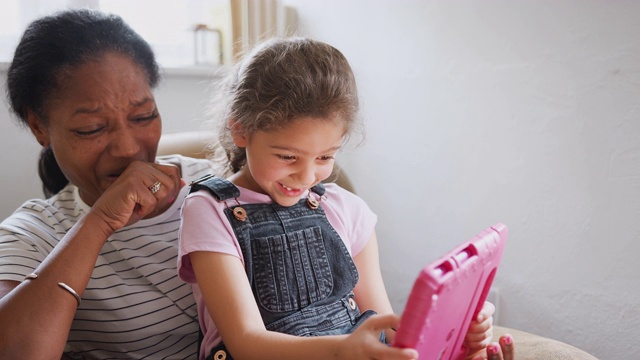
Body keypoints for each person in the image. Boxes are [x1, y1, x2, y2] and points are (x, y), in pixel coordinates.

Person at [178, 37, 515, 360]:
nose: (307, 177)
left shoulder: (347, 209)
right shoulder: (210, 210)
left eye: (325, 158)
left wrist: (457, 333)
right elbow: (247, 343)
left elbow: (384, 327)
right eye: (287, 157)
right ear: (241, 130)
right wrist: (342, 351)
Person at [0, 9, 224, 359]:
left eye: (143, 116)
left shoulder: (219, 183)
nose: (129, 148)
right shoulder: (32, 233)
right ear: (39, 127)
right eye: (91, 129)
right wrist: (99, 222)